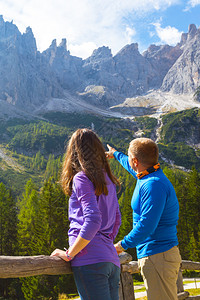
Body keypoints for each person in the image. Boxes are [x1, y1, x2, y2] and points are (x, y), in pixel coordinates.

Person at [106, 137, 182, 300]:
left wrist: (121, 245)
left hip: (158, 256)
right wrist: (116, 154)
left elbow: (146, 225)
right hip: (159, 256)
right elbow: (130, 164)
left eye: (130, 158)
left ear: (136, 161)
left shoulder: (152, 185)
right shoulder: (149, 175)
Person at [51, 128, 121, 300]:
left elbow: (93, 220)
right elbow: (117, 219)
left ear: (73, 152)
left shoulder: (82, 178)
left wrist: (69, 254)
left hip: (90, 260)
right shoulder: (108, 179)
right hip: (111, 260)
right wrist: (105, 242)